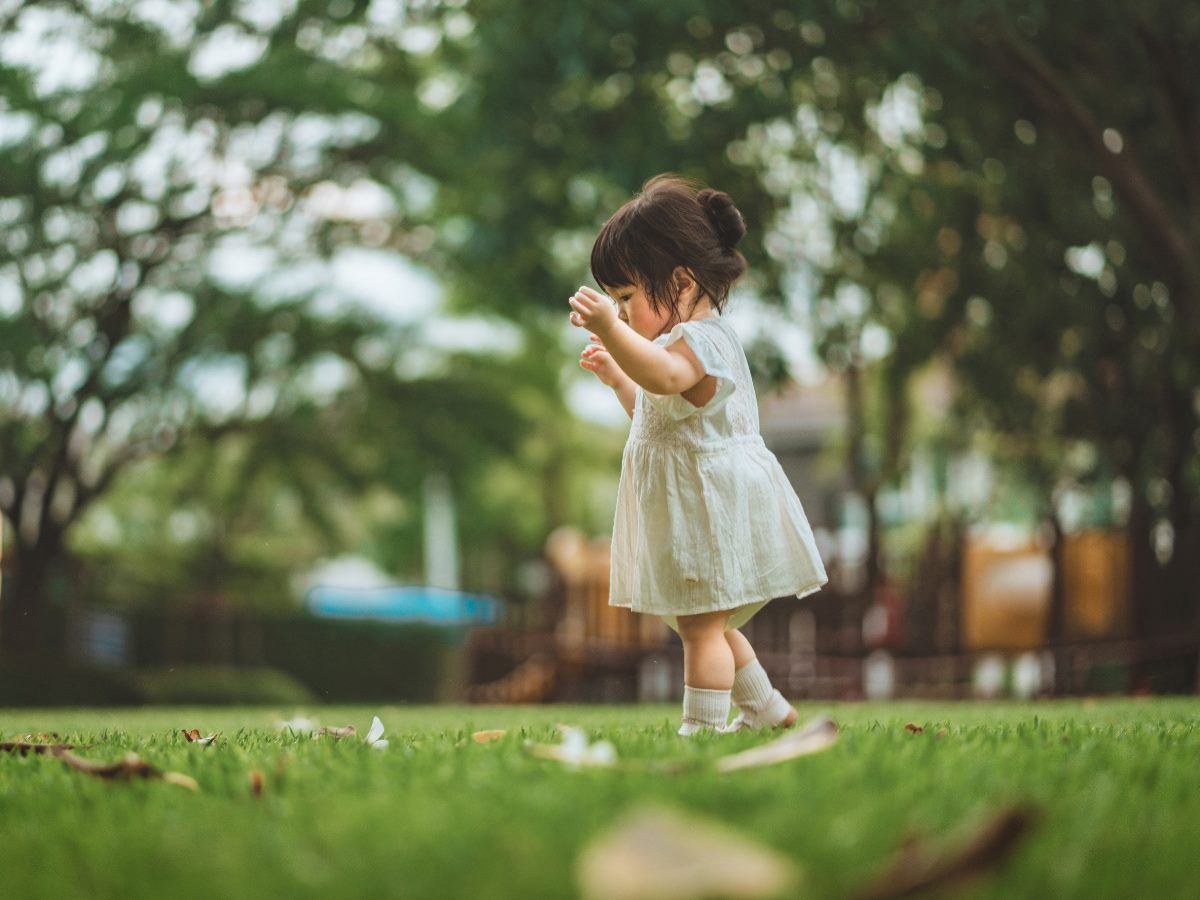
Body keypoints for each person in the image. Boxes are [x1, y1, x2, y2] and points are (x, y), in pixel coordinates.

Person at [568, 174, 828, 736]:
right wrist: (618, 379)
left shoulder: (702, 343)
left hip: (709, 507)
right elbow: (659, 411)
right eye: (616, 302)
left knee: (703, 630)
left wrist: (612, 333)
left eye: (627, 298)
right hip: (693, 505)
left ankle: (700, 729)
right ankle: (768, 710)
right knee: (705, 621)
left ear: (682, 283)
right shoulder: (675, 345)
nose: (621, 311)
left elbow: (665, 376)